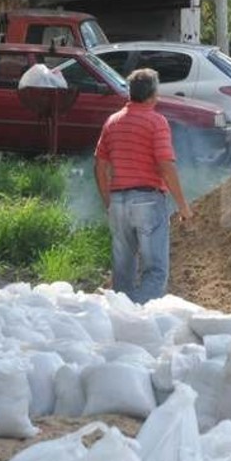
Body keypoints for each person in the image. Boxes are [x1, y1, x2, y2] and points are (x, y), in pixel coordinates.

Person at [94, 68, 191, 303]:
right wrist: (183, 206)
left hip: (118, 202)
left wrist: (109, 202)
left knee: (123, 273)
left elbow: (99, 166)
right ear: (153, 95)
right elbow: (166, 165)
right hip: (148, 200)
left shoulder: (113, 122)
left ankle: (122, 316)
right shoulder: (156, 122)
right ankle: (141, 315)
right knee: (155, 271)